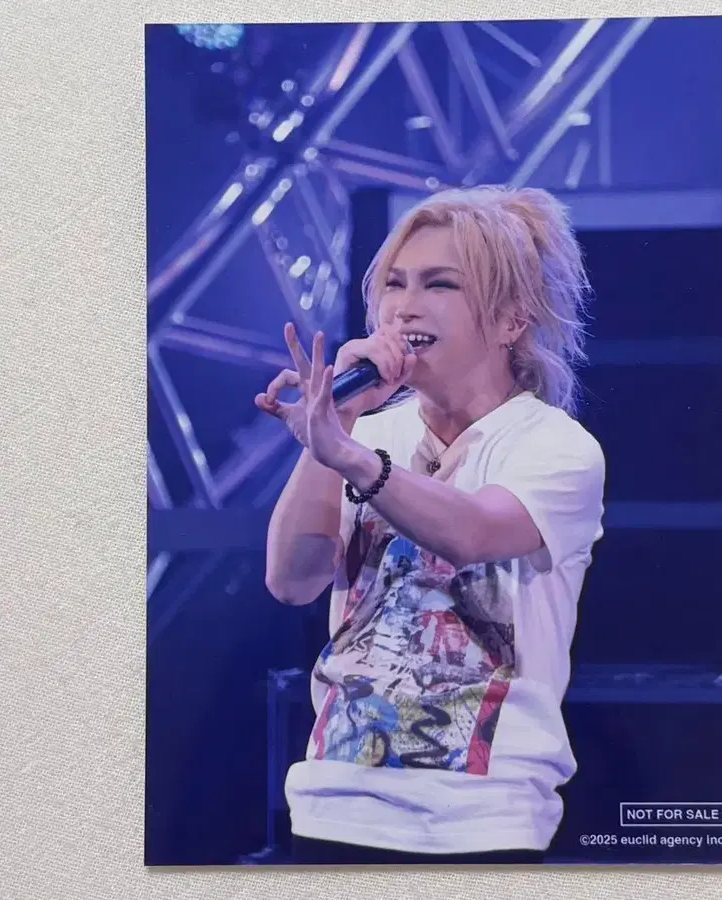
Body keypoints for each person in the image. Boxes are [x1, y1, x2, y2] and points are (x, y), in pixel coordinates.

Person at [255, 185, 606, 864]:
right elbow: (292, 580)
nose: (405, 306)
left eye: (439, 284)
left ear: (509, 320)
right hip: (334, 804)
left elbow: (471, 533)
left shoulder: (555, 447)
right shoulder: (365, 435)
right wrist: (339, 424)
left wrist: (349, 455)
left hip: (481, 820)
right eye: (395, 283)